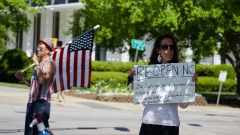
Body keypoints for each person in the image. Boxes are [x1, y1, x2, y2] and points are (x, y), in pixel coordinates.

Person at [129, 34, 198, 135]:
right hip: (149, 122)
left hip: (170, 124)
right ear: (158, 50)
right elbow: (143, 101)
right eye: (164, 47)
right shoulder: (148, 72)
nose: (168, 50)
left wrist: (191, 85)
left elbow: (184, 105)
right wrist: (136, 78)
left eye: (171, 47)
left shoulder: (182, 73)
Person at [15, 38, 56, 135]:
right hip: (31, 102)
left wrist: (37, 63)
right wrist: (22, 78)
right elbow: (33, 84)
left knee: (41, 132)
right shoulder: (38, 65)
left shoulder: (50, 63)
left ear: (48, 51)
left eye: (41, 48)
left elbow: (42, 80)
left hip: (41, 102)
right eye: (37, 47)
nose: (37, 49)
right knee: (29, 132)